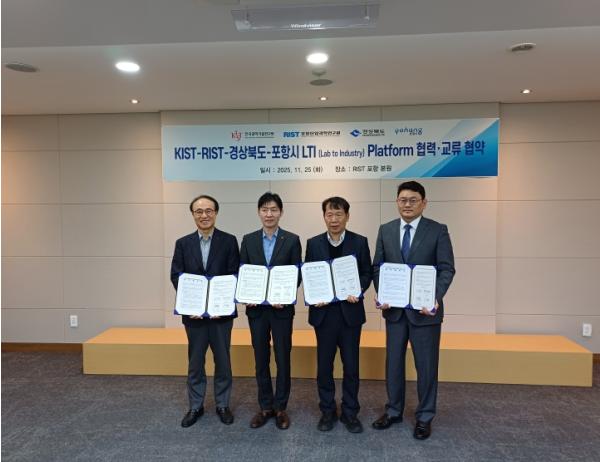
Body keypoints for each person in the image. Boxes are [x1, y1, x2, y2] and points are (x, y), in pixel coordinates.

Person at [372, 181, 455, 440]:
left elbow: (446, 269)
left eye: (413, 200)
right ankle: (393, 410)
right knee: (393, 364)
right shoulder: (386, 230)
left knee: (426, 366)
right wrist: (383, 293)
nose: (407, 204)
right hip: (395, 312)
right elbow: (378, 267)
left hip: (425, 313)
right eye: (403, 200)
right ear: (397, 202)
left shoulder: (438, 230)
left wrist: (434, 296)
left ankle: (425, 416)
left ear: (424, 203)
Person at [170, 194, 240, 428]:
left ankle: (222, 404)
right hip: (194, 316)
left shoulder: (229, 241)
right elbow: (176, 275)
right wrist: (192, 304)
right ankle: (195, 406)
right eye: (198, 211)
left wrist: (223, 303)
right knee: (195, 362)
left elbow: (234, 274)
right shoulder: (183, 243)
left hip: (221, 316)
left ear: (216, 213)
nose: (204, 215)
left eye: (209, 210)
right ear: (193, 215)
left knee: (223, 361)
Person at [304, 196, 372, 433]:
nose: (334, 219)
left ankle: (350, 412)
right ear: (324, 217)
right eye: (329, 214)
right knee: (324, 366)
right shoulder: (313, 243)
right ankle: (327, 411)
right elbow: (309, 274)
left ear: (347, 216)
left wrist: (358, 289)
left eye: (339, 214)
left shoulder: (359, 241)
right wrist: (315, 294)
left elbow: (367, 272)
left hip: (350, 314)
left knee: (351, 366)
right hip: (323, 314)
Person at [240, 192, 302, 430]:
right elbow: (243, 271)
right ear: (259, 212)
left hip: (281, 310)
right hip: (257, 311)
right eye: (265, 209)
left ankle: (281, 407)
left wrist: (284, 296)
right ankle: (265, 406)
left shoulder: (292, 240)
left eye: (274, 209)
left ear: (281, 212)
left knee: (283, 357)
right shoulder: (248, 240)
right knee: (261, 358)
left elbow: (296, 273)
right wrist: (247, 295)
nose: (269, 214)